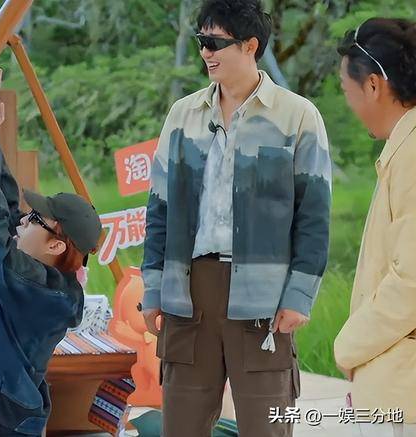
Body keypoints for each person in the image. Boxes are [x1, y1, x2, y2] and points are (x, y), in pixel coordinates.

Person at [140, 0, 332, 436]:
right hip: (190, 293)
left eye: (215, 43)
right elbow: (159, 209)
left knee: (267, 424)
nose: (205, 52)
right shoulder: (183, 115)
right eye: (201, 41)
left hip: (264, 298)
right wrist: (153, 289)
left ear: (250, 45)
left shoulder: (298, 116)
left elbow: (314, 215)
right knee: (181, 425)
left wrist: (299, 295)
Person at [0, 64, 103, 437]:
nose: (22, 220)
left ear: (56, 244)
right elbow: (6, 210)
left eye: (34, 219)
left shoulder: (35, 286)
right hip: (1, 413)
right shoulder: (47, 279)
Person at [333, 17, 416, 437]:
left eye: (346, 89)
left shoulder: (412, 154)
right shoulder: (402, 148)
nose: (348, 103)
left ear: (372, 85)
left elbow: (411, 279)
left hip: (403, 396)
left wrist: (348, 345)